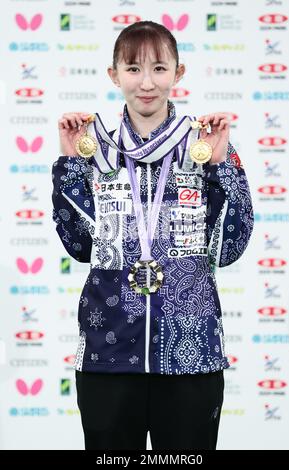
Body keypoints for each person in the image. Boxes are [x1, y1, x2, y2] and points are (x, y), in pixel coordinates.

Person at [52, 20, 254, 450]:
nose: (146, 83)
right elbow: (81, 247)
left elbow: (230, 247)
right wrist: (69, 163)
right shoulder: (94, 150)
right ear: (114, 75)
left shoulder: (206, 144)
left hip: (190, 351)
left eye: (159, 69)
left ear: (178, 74)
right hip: (109, 352)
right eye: (133, 69)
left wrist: (219, 168)